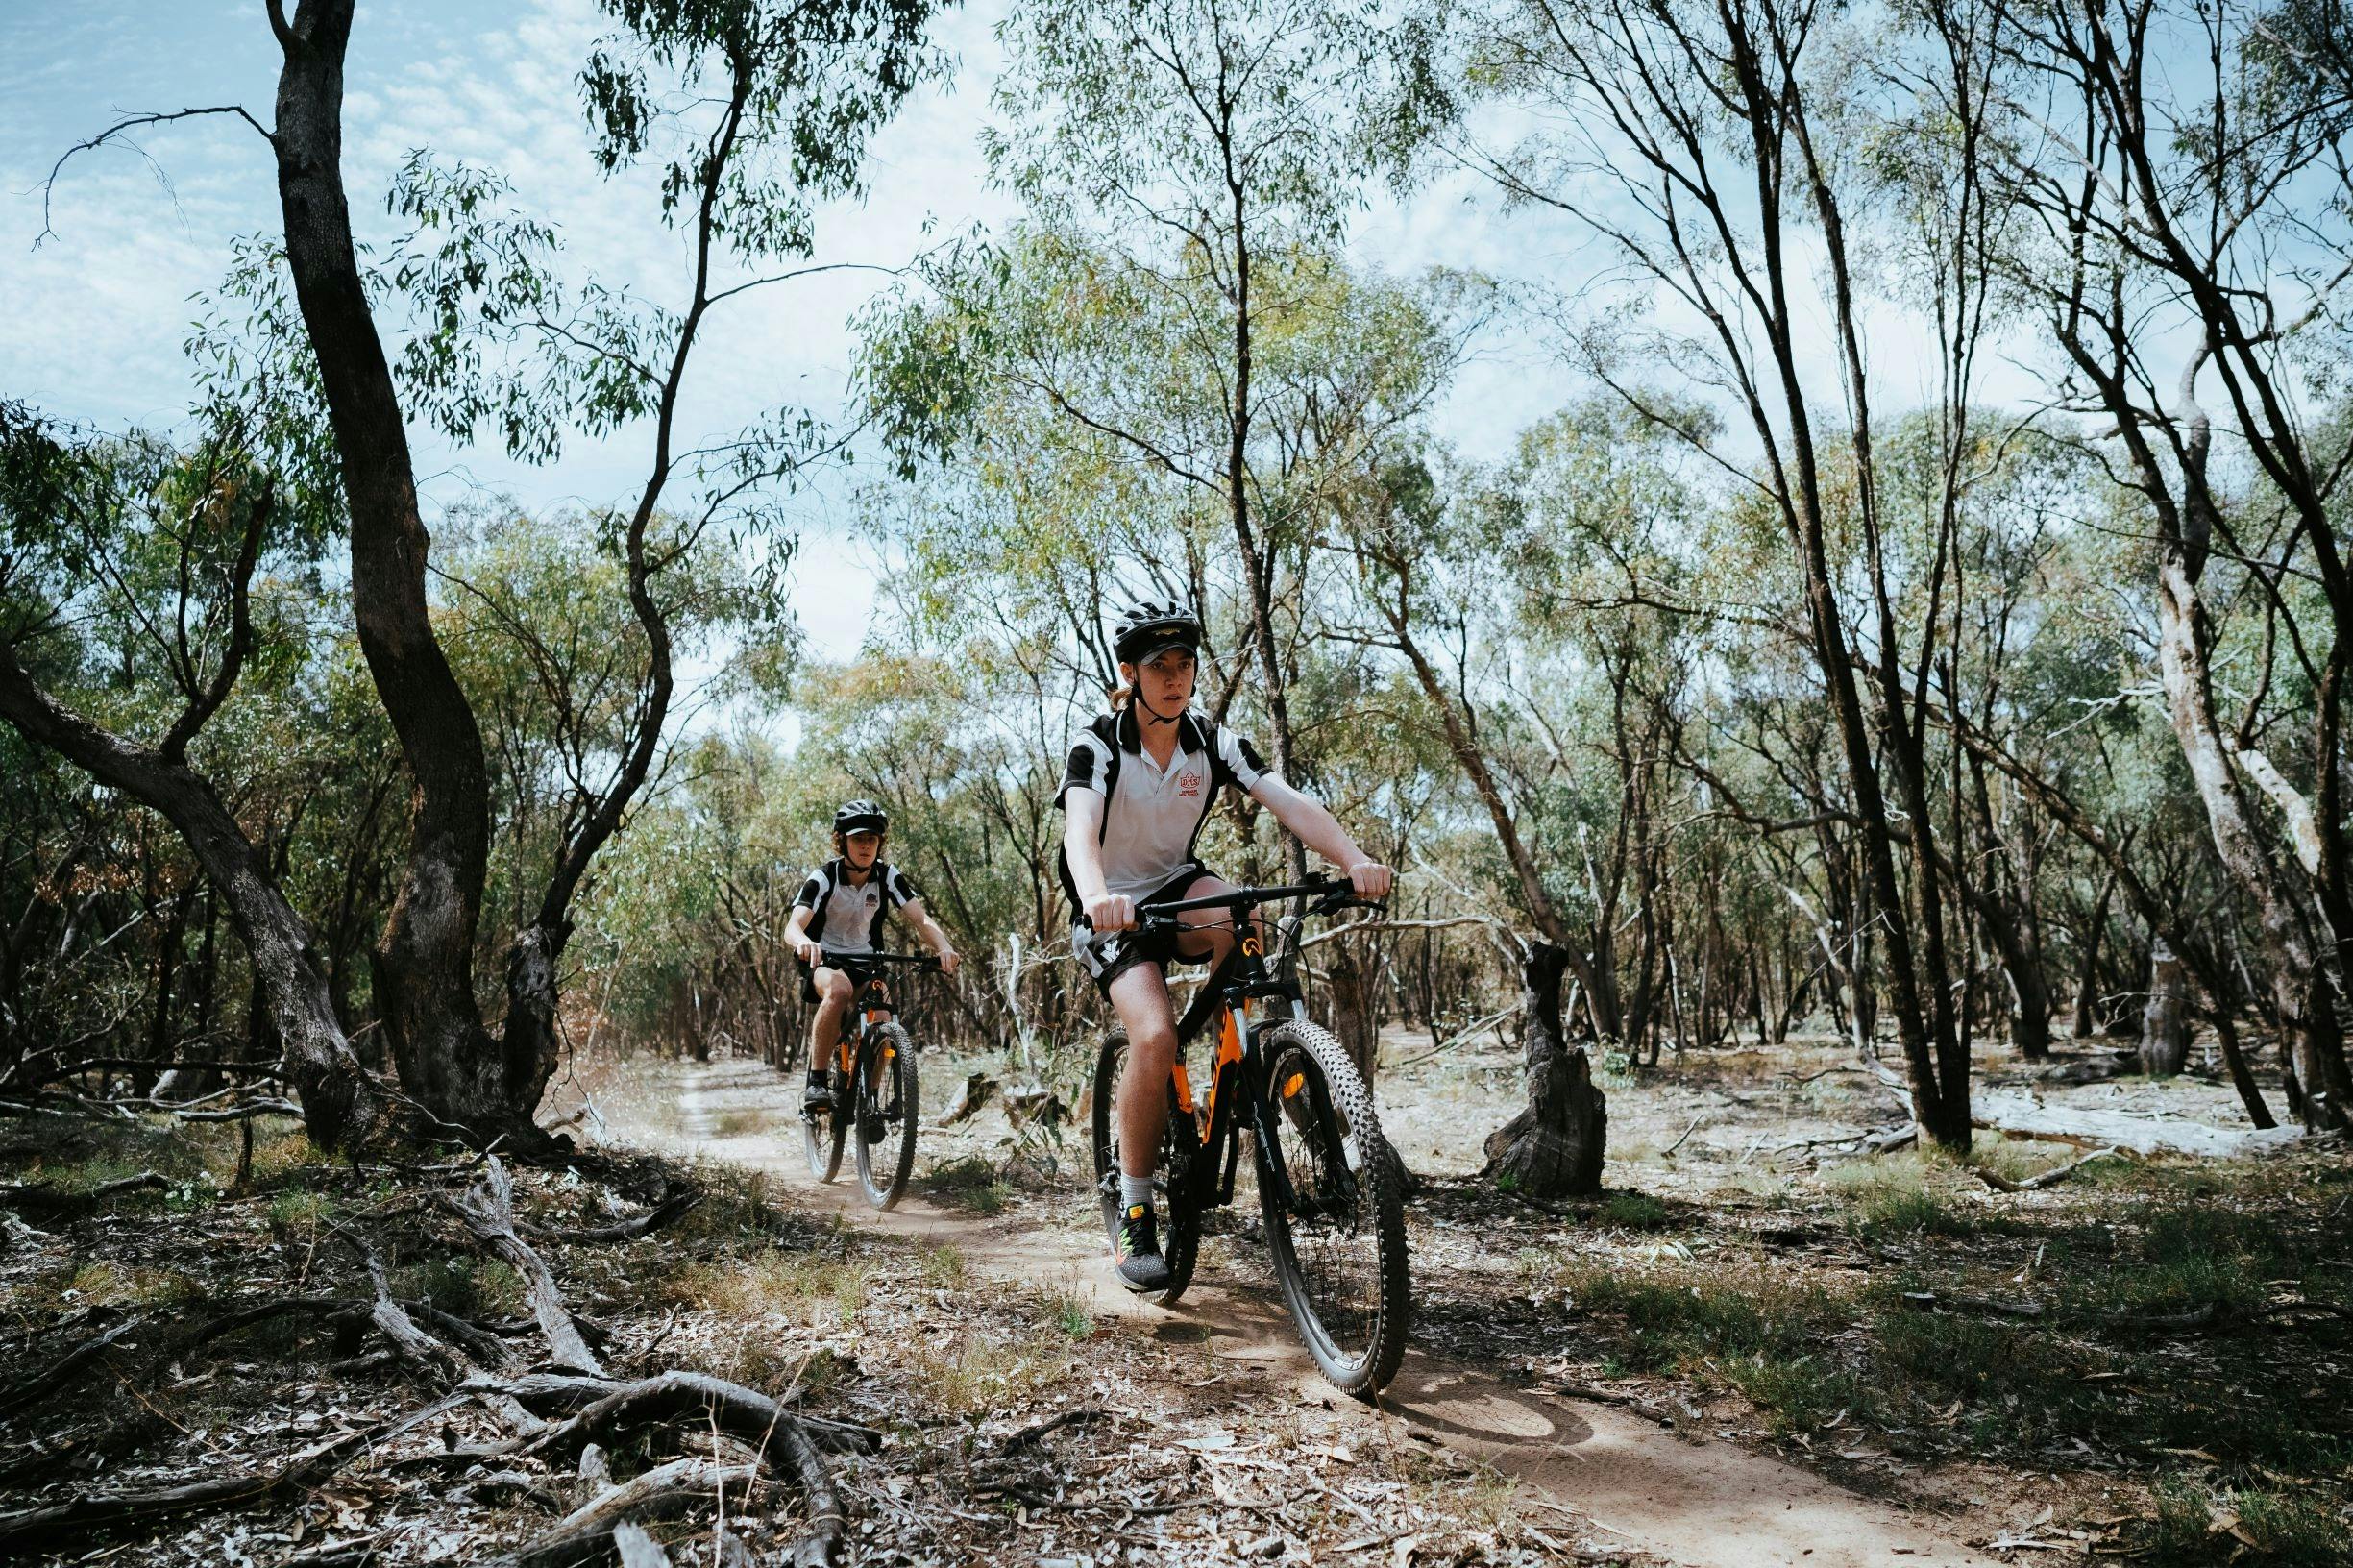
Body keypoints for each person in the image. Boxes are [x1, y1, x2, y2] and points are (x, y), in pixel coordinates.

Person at [1058, 600, 1392, 1291]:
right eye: (1159, 668)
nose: (1175, 678)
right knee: (1151, 1037)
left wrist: (1353, 858)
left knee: (1243, 916)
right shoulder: (1097, 745)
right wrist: (1096, 896)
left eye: (1184, 665)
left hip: (1177, 886)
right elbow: (1079, 831)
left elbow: (1288, 801)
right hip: (1112, 904)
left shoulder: (1212, 741)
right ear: (1130, 674)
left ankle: (1232, 1062)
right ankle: (1136, 1205)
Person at [787, 799, 959, 1111]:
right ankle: (817, 1081)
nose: (866, 846)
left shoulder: (887, 876)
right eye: (858, 838)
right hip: (827, 960)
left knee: (882, 1017)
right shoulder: (824, 876)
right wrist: (803, 942)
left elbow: (920, 919)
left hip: (868, 961)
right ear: (843, 841)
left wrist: (943, 948)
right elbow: (793, 926)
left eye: (872, 839)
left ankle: (872, 1101)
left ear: (880, 843)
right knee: (839, 992)